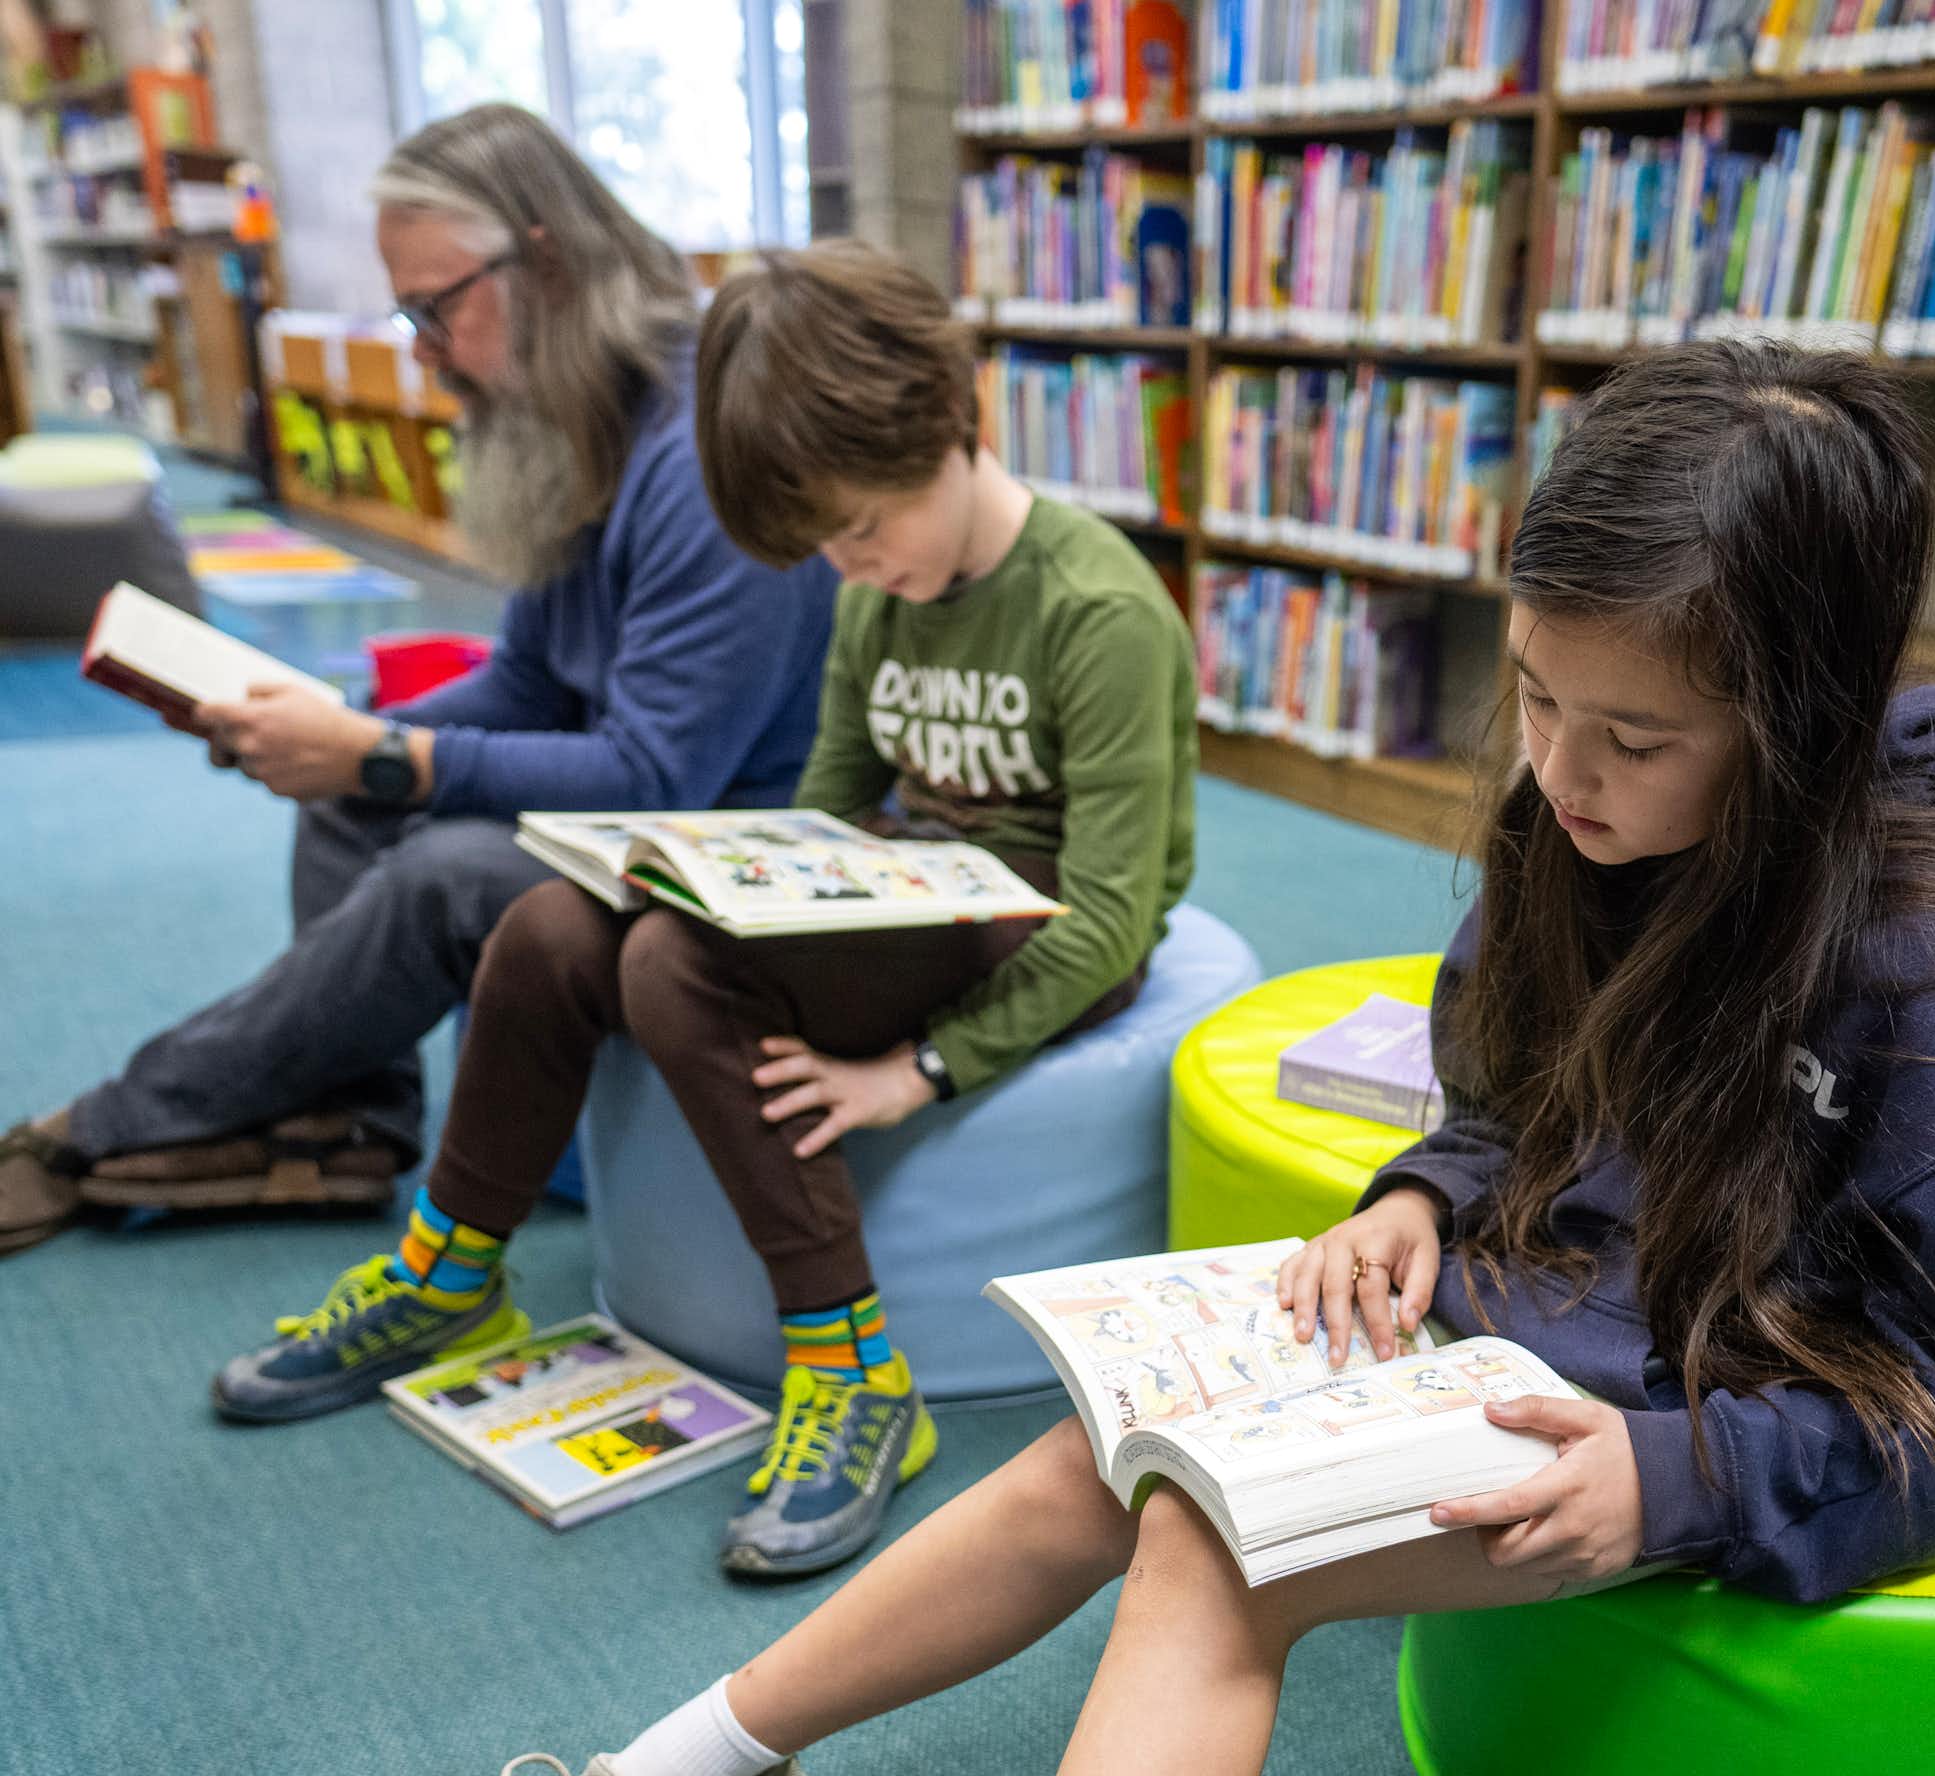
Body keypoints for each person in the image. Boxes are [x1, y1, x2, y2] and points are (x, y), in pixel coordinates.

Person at [380, 342, 1935, 1776]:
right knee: (1094, 1435)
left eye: (1629, 733)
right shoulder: (1589, 798)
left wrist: (1681, 1475)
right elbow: (1505, 1084)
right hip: (1539, 1294)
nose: (1555, 766)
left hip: (1697, 1407)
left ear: (1798, 719)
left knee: (1204, 1545)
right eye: (1533, 700)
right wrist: (1421, 1190)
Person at [200, 243, 1197, 1582]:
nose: (854, 563)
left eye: (864, 527)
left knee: (674, 965)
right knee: (552, 928)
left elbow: (1116, 915)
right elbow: (830, 817)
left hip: (1048, 925)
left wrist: (923, 1070)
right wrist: (693, 864)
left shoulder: (1098, 609)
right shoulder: (873, 596)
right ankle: (451, 1272)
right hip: (908, 888)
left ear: (951, 427)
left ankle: (852, 1363)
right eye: (828, 544)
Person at [0, 104, 838, 1257]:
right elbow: (532, 680)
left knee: (443, 865)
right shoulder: (587, 413)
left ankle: (107, 1124)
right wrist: (343, 737)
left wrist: (390, 754)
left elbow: (660, 772)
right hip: (636, 811)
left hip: (738, 846)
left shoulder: (701, 448)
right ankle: (351, 1121)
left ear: (544, 260)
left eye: (436, 308)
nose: (423, 349)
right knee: (356, 794)